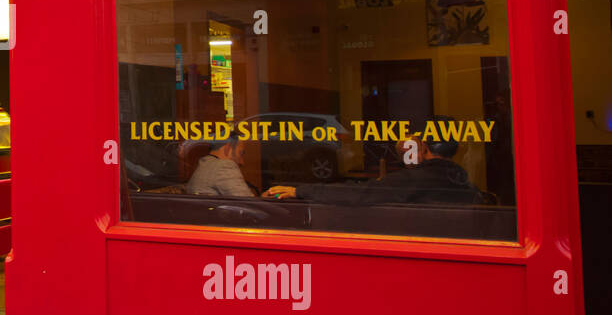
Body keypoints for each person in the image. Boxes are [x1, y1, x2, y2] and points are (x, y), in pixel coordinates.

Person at [263, 116, 481, 205]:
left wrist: (298, 191)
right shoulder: (465, 183)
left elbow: (356, 194)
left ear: (422, 147)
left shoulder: (411, 181)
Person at [185, 134, 255, 198]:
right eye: (241, 153)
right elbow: (248, 202)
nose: (242, 162)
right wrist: (262, 199)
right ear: (227, 148)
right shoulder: (224, 166)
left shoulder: (205, 163)